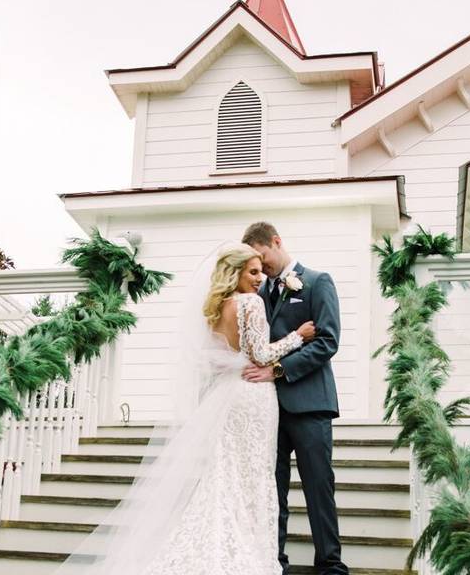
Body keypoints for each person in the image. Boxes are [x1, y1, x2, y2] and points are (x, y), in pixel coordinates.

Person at [57, 243, 315, 574]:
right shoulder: (251, 303)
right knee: (253, 474)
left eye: (261, 272)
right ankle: (247, 550)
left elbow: (219, 358)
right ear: (234, 272)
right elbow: (261, 356)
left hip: (230, 396)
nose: (260, 279)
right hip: (253, 395)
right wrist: (298, 336)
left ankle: (220, 541)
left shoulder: (217, 307)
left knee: (227, 474)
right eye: (252, 272)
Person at [242, 221, 348, 575]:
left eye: (263, 256)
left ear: (276, 241)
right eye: (254, 262)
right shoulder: (256, 294)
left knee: (319, 486)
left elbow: (327, 341)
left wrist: (280, 370)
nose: (261, 267)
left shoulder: (318, 282)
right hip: (268, 408)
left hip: (310, 404)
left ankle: (330, 564)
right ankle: (275, 561)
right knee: (273, 490)